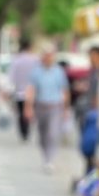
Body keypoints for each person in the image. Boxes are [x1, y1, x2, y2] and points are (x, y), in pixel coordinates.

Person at [24, 45, 69, 173]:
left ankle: (50, 159)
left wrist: (66, 109)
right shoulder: (36, 72)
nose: (48, 58)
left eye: (50, 56)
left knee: (52, 133)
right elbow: (31, 90)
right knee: (43, 134)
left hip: (55, 106)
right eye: (46, 56)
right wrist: (28, 107)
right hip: (40, 106)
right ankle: (46, 156)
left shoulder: (59, 72)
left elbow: (64, 90)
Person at [77, 46, 99, 178]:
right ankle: (89, 170)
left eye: (93, 55)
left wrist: (96, 107)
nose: (91, 58)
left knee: (92, 144)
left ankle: (92, 172)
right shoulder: (93, 71)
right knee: (88, 144)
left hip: (95, 113)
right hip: (89, 112)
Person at [8, 39, 38, 142]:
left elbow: (12, 77)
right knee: (30, 111)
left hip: (19, 92)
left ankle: (23, 131)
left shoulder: (16, 60)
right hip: (32, 92)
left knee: (21, 113)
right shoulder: (35, 60)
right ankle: (27, 129)